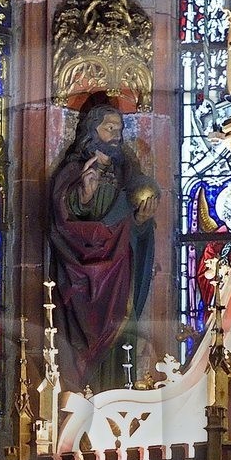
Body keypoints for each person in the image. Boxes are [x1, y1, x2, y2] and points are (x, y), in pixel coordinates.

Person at [47, 93, 159, 388]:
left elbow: (137, 230)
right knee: (84, 343)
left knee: (124, 333)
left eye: (120, 130)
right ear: (91, 130)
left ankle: (123, 398)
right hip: (84, 276)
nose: (116, 135)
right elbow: (63, 220)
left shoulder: (128, 175)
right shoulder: (74, 171)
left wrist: (141, 223)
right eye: (110, 128)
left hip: (120, 274)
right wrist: (84, 194)